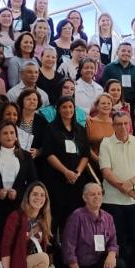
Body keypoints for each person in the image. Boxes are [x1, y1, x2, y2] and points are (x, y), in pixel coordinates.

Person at [99, 110, 135, 268]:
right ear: (113, 125)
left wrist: (131, 183)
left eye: (125, 123)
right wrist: (126, 189)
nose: (122, 127)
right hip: (113, 201)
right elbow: (106, 172)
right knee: (119, 240)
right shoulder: (106, 143)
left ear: (130, 125)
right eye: (119, 124)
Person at [0, 122, 38, 260]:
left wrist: (18, 193)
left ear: (17, 136)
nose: (9, 136)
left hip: (17, 208)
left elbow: (33, 183)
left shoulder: (26, 157)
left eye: (12, 133)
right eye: (5, 133)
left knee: (14, 244)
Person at [0, 182, 56, 268]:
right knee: (44, 258)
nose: (39, 198)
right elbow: (5, 248)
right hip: (16, 264)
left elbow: (40, 249)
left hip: (33, 266)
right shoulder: (16, 216)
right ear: (28, 197)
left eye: (42, 195)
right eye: (35, 194)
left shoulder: (43, 220)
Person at [62, 184, 126, 268]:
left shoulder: (108, 218)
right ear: (84, 198)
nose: (97, 197)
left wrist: (112, 254)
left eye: (99, 194)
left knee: (119, 264)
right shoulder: (76, 216)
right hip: (77, 267)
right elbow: (68, 248)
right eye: (92, 194)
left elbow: (113, 242)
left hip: (96, 264)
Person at [42, 97, 91, 235]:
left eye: (70, 107)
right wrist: (65, 172)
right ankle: (52, 248)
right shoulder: (50, 128)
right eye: (64, 107)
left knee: (74, 216)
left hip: (76, 179)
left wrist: (77, 173)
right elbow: (49, 153)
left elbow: (85, 154)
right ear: (58, 110)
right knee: (56, 215)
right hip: (57, 178)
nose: (68, 110)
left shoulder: (80, 129)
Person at [100, 42, 135, 106]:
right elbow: (104, 88)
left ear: (132, 54)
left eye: (129, 51)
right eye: (123, 51)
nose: (126, 53)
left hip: (132, 105)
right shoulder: (108, 68)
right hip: (112, 105)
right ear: (117, 52)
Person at [17, 88, 48, 158]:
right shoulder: (15, 117)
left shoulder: (42, 121)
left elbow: (47, 143)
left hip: (33, 159)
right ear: (22, 101)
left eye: (35, 100)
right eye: (28, 99)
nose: (32, 101)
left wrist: (38, 152)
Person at [86, 93, 116, 165]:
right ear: (97, 106)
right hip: (94, 163)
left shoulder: (116, 123)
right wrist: (99, 161)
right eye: (103, 103)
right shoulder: (89, 122)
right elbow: (86, 146)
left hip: (114, 162)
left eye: (109, 103)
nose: (106, 105)